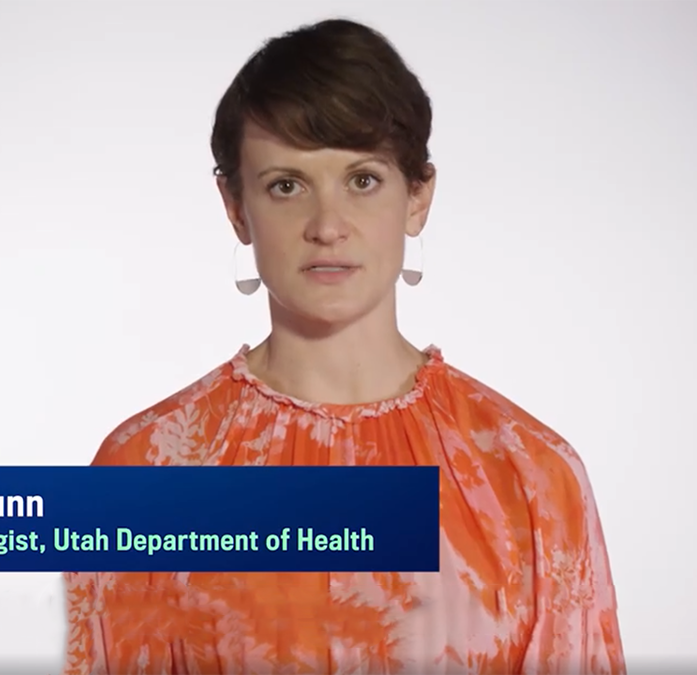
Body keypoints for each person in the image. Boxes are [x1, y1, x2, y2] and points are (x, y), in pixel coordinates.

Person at [63, 17, 625, 675]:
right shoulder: (145, 473)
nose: (327, 226)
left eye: (362, 180)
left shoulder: (532, 474)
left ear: (417, 197)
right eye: (286, 185)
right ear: (236, 207)